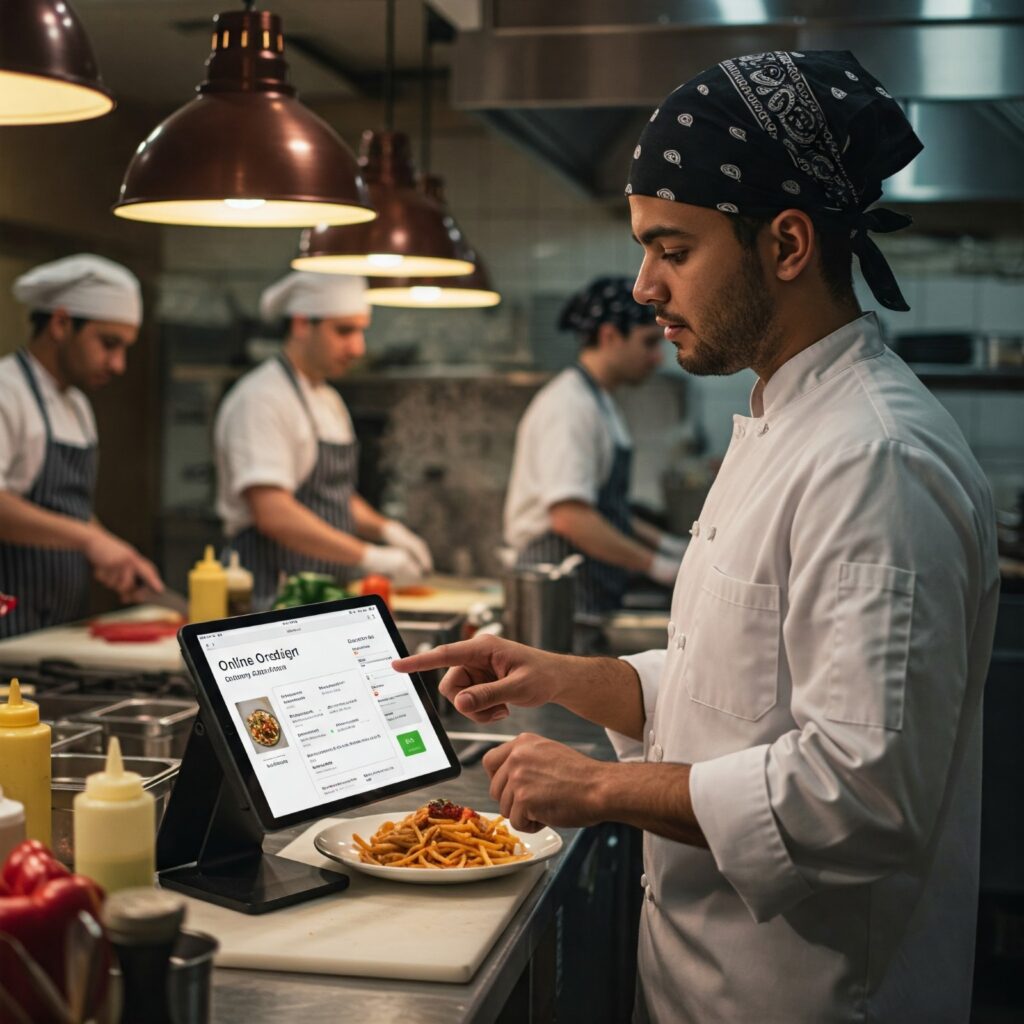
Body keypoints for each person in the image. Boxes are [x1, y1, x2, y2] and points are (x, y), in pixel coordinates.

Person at [395, 50, 1000, 1024]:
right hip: (704, 985)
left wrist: (598, 784)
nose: (641, 287)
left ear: (787, 244)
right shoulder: (784, 418)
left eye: (672, 250)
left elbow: (859, 796)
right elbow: (731, 686)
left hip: (806, 999)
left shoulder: (870, 458)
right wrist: (558, 675)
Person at [214, 271, 432, 605]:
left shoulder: (327, 399)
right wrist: (370, 556)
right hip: (271, 597)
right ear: (302, 324)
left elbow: (334, 495)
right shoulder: (261, 399)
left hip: (322, 595)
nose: (358, 347)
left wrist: (387, 530)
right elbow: (273, 512)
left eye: (361, 331)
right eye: (344, 331)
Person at [0, 254, 163, 639]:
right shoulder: (6, 392)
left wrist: (112, 548)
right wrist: (90, 540)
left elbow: (68, 509)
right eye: (109, 344)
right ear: (60, 323)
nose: (119, 364)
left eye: (125, 348)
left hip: (56, 627)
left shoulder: (77, 405)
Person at [503, 276, 687, 614]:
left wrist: (668, 546)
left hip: (585, 592)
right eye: (648, 343)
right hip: (557, 593)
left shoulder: (599, 402)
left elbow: (604, 511)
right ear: (609, 336)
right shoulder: (570, 406)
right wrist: (657, 566)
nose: (658, 357)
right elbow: (571, 518)